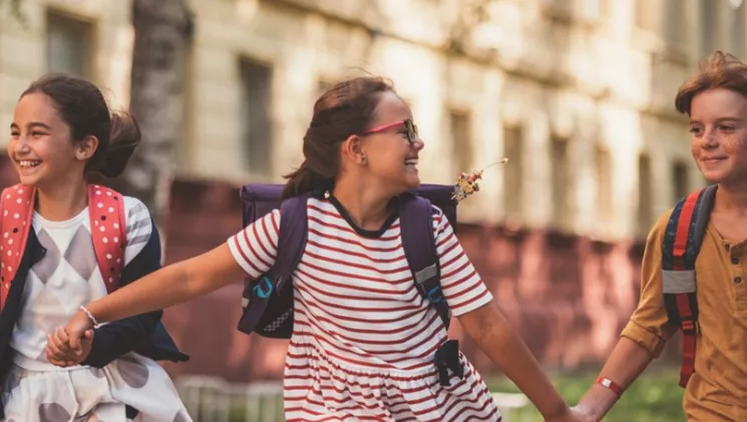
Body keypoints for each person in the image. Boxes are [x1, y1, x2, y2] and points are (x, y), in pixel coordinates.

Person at [60, 76, 581, 421]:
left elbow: (489, 326)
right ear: (355, 149)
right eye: (405, 131)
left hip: (436, 408)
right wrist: (93, 312)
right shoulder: (297, 224)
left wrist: (558, 413)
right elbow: (190, 277)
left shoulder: (428, 226)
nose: (418, 143)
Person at [0, 74, 191, 421]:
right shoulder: (3, 217)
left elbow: (145, 309)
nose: (21, 146)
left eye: (36, 133)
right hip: (27, 396)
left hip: (112, 385)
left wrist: (92, 345)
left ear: (84, 147)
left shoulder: (128, 218)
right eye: (16, 132)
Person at [571, 51, 747, 421]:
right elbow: (650, 325)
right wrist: (589, 407)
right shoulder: (680, 230)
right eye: (697, 129)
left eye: (726, 127)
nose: (708, 141)